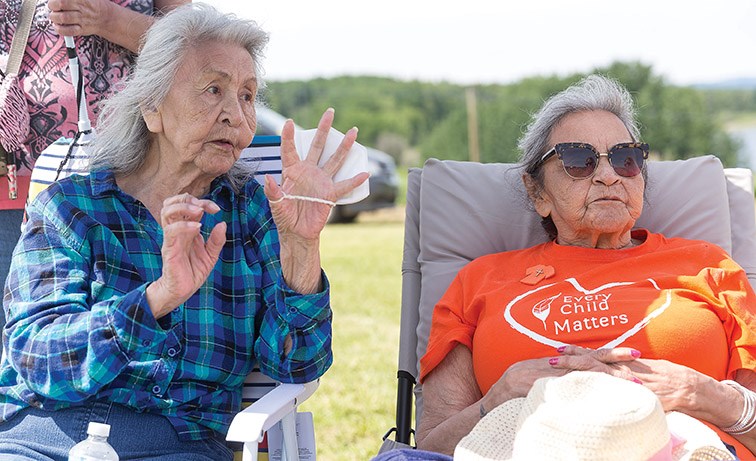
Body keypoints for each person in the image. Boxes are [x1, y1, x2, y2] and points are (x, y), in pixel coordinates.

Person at [0, 3, 367, 459]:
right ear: (152, 109)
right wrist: (157, 299)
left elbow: (297, 362)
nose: (237, 114)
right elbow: (37, 358)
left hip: (178, 444)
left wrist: (301, 248)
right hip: (43, 436)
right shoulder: (69, 207)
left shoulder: (255, 212)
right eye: (213, 90)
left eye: (249, 96)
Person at [412, 76, 756, 459]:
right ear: (537, 192)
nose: (608, 175)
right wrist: (495, 399)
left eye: (626, 158)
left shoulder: (707, 267)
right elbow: (430, 448)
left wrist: (703, 394)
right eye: (579, 159)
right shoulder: (479, 280)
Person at [0, 0, 189, 323]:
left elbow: (194, 46)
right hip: (13, 191)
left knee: (121, 332)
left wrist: (108, 20)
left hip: (128, 191)